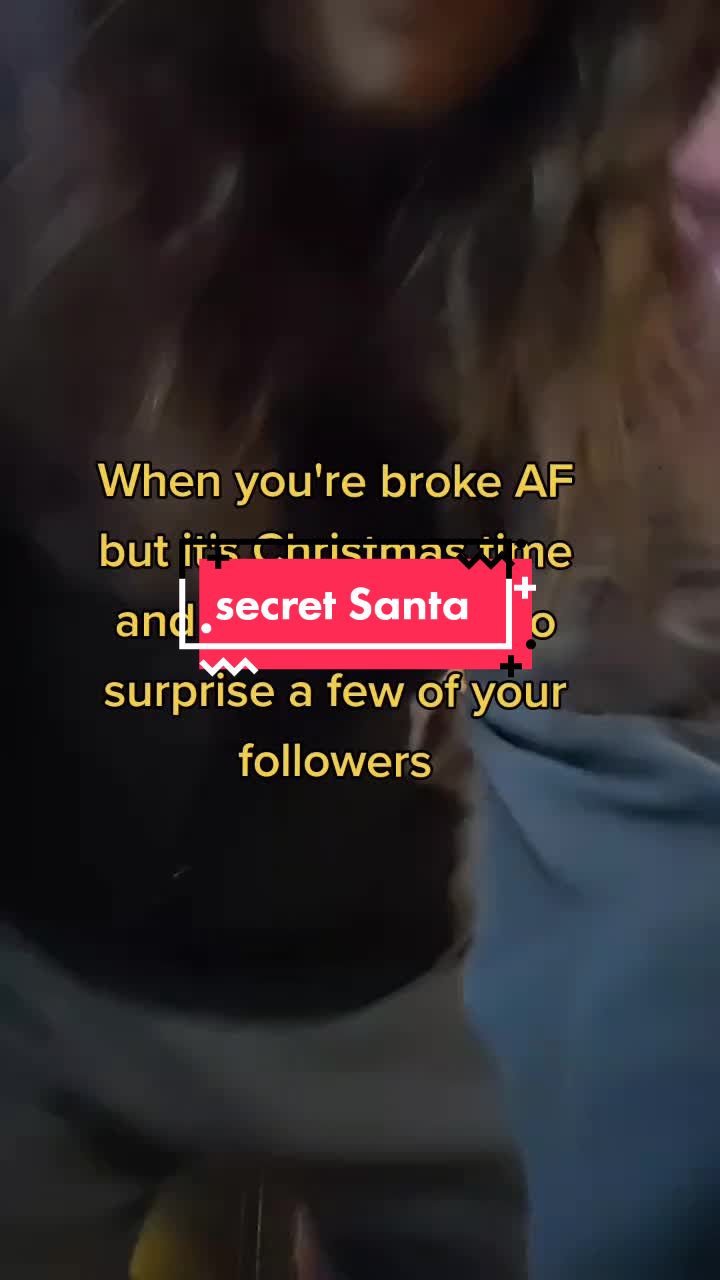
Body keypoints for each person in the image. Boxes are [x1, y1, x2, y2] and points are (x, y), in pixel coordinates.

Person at [0, 2, 718, 1277]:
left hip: (428, 1005)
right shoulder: (37, 89)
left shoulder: (666, 179)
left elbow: (640, 651)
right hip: (40, 978)